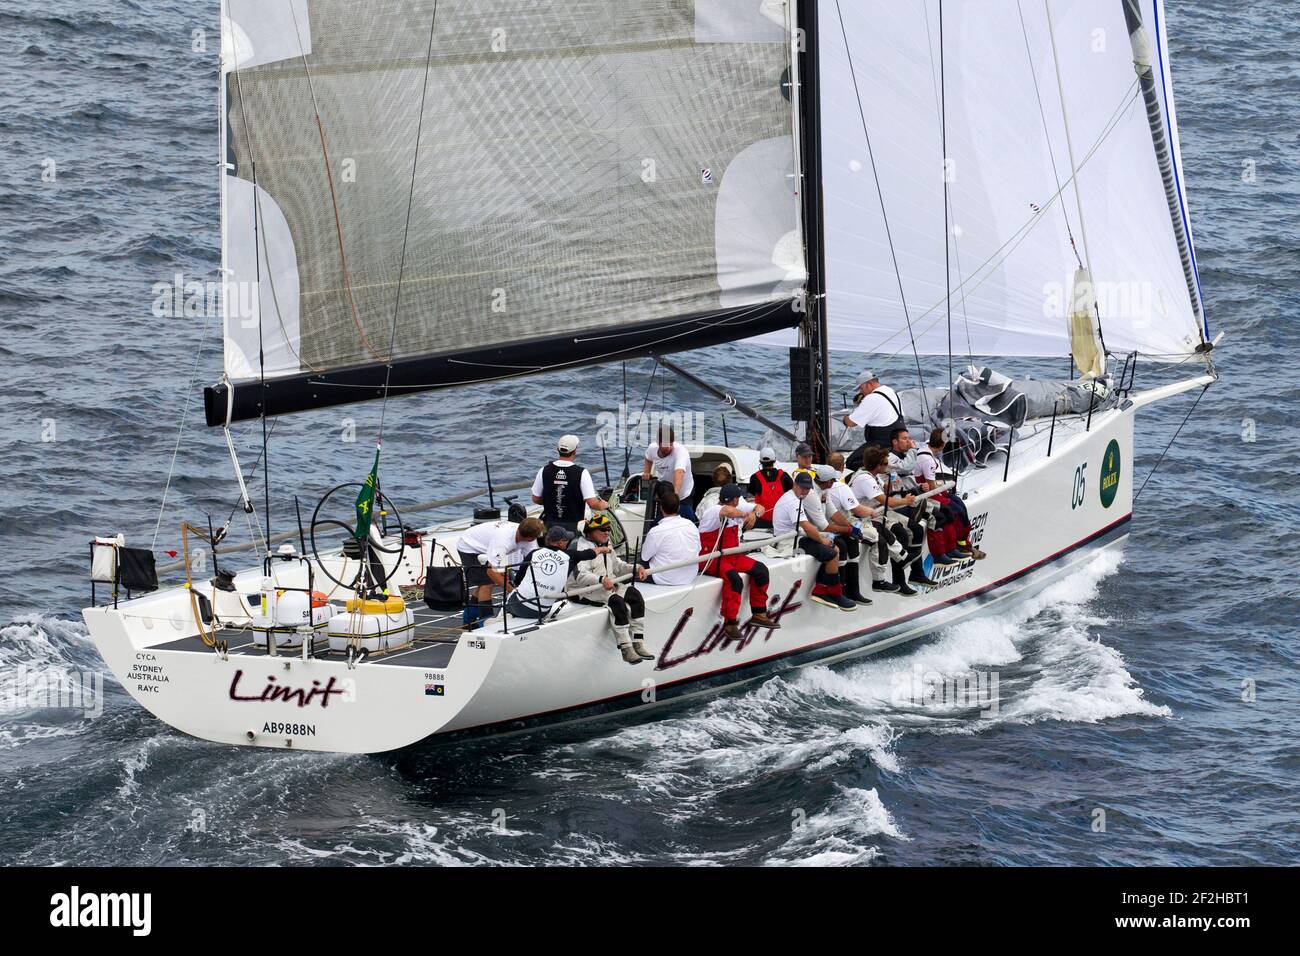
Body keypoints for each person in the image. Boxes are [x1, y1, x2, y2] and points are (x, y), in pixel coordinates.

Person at [698, 484, 782, 638]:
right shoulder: (715, 510)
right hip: (712, 558)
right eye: (738, 497)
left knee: (761, 570)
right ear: (734, 499)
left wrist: (754, 515)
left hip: (732, 555)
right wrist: (746, 515)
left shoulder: (737, 506)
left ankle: (759, 613)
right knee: (734, 580)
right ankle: (730, 623)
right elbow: (727, 511)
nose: (740, 500)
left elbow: (760, 507)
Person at [569, 514, 652, 665]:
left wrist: (636, 568)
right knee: (617, 602)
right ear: (592, 531)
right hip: (585, 590)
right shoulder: (580, 548)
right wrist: (601, 580)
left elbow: (618, 566)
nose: (608, 532)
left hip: (607, 585)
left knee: (635, 595)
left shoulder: (606, 543)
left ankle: (638, 643)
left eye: (609, 529)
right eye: (603, 529)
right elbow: (580, 576)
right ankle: (626, 649)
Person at [771, 472, 856, 611]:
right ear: (795, 485)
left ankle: (821, 589)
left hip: (795, 536)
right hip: (789, 541)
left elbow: (807, 527)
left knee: (835, 548)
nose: (805, 491)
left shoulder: (794, 497)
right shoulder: (793, 501)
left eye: (807, 489)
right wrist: (822, 540)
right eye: (802, 488)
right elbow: (808, 527)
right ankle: (835, 593)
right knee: (833, 553)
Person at [849, 447, 928, 594]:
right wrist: (906, 501)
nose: (888, 465)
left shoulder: (874, 475)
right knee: (901, 534)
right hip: (867, 516)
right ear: (878, 465)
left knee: (916, 528)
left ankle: (917, 573)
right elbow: (887, 501)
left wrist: (891, 485)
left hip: (879, 511)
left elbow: (883, 492)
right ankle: (899, 579)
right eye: (885, 463)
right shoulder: (864, 478)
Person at [456, 516, 544, 629]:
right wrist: (512, 592)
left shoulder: (527, 539)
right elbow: (491, 572)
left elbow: (531, 561)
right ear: (530, 537)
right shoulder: (503, 541)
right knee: (487, 583)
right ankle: (486, 625)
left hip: (490, 547)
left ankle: (468, 620)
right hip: (470, 546)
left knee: (490, 581)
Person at [505, 525, 603, 622]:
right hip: (541, 611)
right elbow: (591, 553)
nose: (568, 542)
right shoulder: (570, 556)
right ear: (560, 542)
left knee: (511, 594)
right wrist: (604, 549)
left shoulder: (533, 553)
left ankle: (504, 615)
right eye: (566, 540)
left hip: (519, 606)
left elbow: (518, 579)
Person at [915, 427, 985, 563]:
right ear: (943, 445)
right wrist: (944, 493)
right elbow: (931, 487)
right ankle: (954, 546)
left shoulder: (927, 447)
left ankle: (963, 542)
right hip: (928, 492)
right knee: (953, 510)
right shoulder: (928, 460)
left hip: (933, 488)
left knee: (960, 505)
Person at [821, 457, 879, 606]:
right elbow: (856, 510)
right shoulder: (839, 487)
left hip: (835, 525)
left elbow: (834, 513)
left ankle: (853, 591)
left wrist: (850, 528)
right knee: (844, 546)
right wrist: (870, 512)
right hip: (825, 530)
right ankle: (841, 592)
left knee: (852, 542)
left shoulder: (827, 490)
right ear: (842, 468)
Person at [532, 434, 609, 535]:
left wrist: (552, 501)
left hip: (550, 527)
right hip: (574, 528)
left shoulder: (544, 470)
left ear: (557, 449)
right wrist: (603, 505)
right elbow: (592, 503)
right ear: (575, 451)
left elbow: (536, 499)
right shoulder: (582, 473)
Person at [636, 490, 701, 586]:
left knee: (634, 569)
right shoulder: (691, 525)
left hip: (664, 578)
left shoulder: (656, 531)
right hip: (690, 575)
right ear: (678, 507)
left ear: (661, 508)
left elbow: (645, 557)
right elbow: (699, 548)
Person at [642, 425, 697, 523]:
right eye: (665, 445)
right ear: (658, 443)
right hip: (665, 493)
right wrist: (647, 472)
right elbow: (648, 458)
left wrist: (674, 497)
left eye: (671, 444)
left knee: (686, 521)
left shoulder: (680, 451)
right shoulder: (652, 448)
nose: (669, 447)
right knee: (662, 520)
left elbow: (679, 472)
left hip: (683, 494)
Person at [842, 371, 905, 448]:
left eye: (861, 388)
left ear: (869, 384)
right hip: (900, 441)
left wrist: (845, 418)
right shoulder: (890, 390)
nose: (860, 392)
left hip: (883, 445)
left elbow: (851, 423)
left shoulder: (871, 398)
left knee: (852, 460)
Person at [747, 446, 792, 529]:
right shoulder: (784, 476)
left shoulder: (754, 478)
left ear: (760, 462)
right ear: (774, 460)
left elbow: (752, 495)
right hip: (781, 522)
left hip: (762, 521)